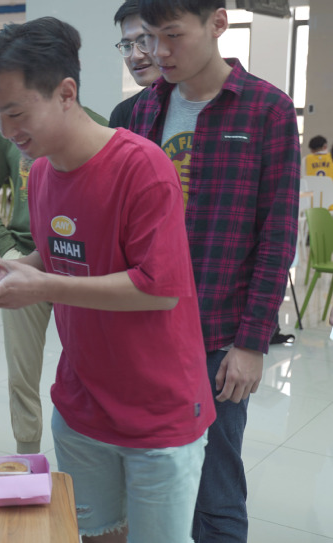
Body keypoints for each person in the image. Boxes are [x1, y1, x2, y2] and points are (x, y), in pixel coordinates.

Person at [0, 16, 214, 542]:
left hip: (157, 414)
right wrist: (8, 269)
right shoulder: (41, 174)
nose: (7, 132)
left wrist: (45, 286)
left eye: (16, 113)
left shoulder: (141, 167)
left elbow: (158, 289)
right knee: (95, 535)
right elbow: (61, 258)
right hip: (81, 406)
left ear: (66, 93)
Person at [129, 1, 300, 541]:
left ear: (218, 24)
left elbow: (277, 236)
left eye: (173, 35)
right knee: (148, 479)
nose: (158, 52)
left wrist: (251, 343)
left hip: (217, 337)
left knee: (215, 488)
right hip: (143, 327)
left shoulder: (267, 110)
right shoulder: (140, 111)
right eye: (149, 37)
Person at [0, 110, 108, 455]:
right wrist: (9, 251)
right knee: (22, 374)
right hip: (25, 261)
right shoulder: (10, 133)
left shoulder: (99, 128)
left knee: (91, 370)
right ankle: (27, 457)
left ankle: (93, 458)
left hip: (81, 266)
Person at [109, 0, 161, 128]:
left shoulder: (199, 102)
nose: (135, 56)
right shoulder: (123, 114)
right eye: (127, 46)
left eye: (144, 42)